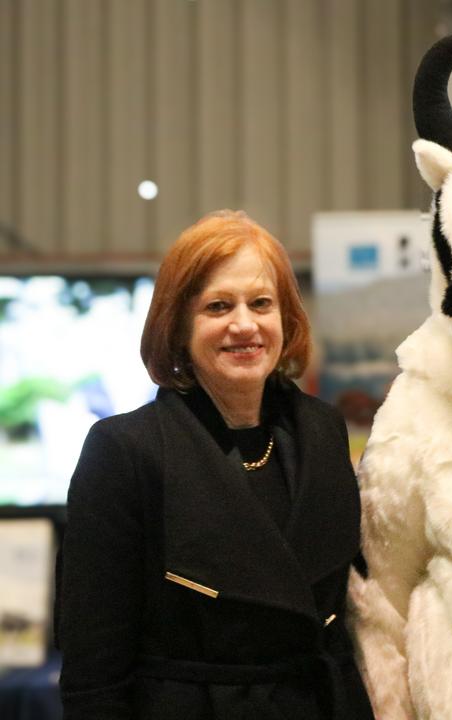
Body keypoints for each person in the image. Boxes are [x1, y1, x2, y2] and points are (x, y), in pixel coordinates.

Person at [57, 210, 374, 719]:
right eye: (218, 306)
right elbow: (93, 673)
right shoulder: (125, 450)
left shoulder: (324, 430)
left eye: (262, 303)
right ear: (178, 326)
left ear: (286, 318)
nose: (244, 325)